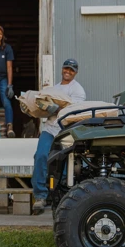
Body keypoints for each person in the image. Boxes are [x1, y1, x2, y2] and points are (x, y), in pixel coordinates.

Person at [31, 58, 86, 214]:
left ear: (76, 72)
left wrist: (54, 109)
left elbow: (73, 111)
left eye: (71, 70)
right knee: (41, 156)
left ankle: (62, 196)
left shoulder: (78, 90)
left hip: (66, 131)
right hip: (49, 129)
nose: (68, 71)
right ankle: (40, 196)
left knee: (65, 162)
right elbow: (44, 108)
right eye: (66, 68)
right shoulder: (53, 89)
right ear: (62, 69)